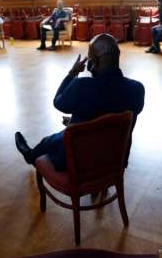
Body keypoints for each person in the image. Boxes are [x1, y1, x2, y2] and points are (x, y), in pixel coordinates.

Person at [16, 33, 145, 171]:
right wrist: (78, 120)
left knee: (53, 140)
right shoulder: (137, 89)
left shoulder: (81, 87)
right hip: (115, 160)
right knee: (63, 134)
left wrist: (72, 73)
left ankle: (30, 155)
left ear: (92, 61)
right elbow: (109, 110)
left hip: (79, 164)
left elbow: (57, 101)